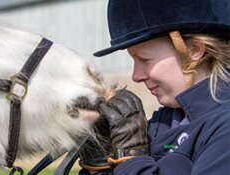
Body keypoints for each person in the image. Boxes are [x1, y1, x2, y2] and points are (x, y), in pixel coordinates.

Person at [78, 0, 230, 174]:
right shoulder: (163, 122)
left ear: (195, 50)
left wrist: (130, 157)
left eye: (144, 60)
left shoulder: (224, 127)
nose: (136, 76)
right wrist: (100, 163)